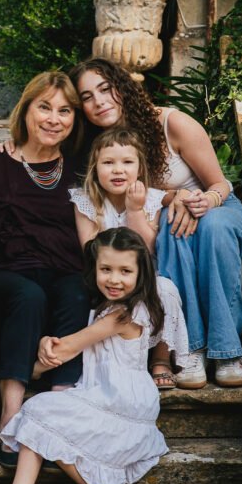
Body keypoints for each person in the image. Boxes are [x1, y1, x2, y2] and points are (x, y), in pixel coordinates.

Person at [0, 227, 173, 484]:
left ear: (141, 273)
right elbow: (62, 351)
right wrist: (47, 346)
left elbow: (68, 348)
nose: (114, 279)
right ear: (94, 269)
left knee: (38, 410)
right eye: (105, 269)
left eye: (125, 271)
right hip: (102, 393)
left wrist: (43, 351)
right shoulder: (103, 308)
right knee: (39, 412)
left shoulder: (124, 314)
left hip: (122, 400)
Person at [70, 58, 242, 388]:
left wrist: (203, 202)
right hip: (169, 217)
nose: (98, 101)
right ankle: (192, 348)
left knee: (210, 227)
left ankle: (227, 351)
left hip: (216, 209)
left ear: (122, 88)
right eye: (86, 96)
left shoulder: (172, 123)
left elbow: (220, 184)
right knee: (172, 227)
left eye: (105, 89)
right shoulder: (99, 146)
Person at [0, 71, 89, 467]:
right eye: (44, 107)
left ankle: (61, 412)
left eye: (65, 111)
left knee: (75, 291)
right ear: (27, 110)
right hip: (9, 274)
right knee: (28, 295)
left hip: (64, 270)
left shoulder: (81, 167)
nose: (54, 119)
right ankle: (10, 418)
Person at [69, 128, 189, 388]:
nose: (118, 170)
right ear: (95, 167)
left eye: (127, 162)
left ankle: (160, 359)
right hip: (105, 281)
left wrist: (135, 210)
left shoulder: (152, 199)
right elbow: (90, 249)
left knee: (166, 289)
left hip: (143, 281)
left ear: (139, 168)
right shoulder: (85, 201)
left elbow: (147, 250)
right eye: (108, 163)